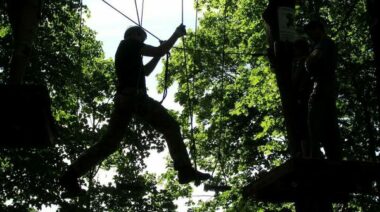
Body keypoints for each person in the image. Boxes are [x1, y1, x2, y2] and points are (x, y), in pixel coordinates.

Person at [60, 24, 211, 198]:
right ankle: (185, 170)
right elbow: (159, 50)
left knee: (109, 144)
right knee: (170, 126)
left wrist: (159, 56)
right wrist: (176, 34)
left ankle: (70, 176)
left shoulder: (127, 52)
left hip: (125, 99)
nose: (142, 42)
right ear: (136, 35)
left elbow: (145, 71)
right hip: (135, 98)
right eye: (143, 39)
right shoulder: (129, 43)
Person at [304, 20, 341, 160]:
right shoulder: (321, 44)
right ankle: (333, 154)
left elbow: (312, 61)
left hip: (323, 84)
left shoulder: (324, 43)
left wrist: (307, 61)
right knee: (327, 120)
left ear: (318, 29)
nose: (310, 35)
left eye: (311, 31)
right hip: (326, 84)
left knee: (314, 118)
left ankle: (316, 154)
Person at [290, 38, 312, 157]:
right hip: (306, 96)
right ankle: (307, 153)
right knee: (305, 126)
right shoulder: (309, 60)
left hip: (303, 96)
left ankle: (306, 154)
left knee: (303, 127)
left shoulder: (303, 62)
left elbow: (295, 80)